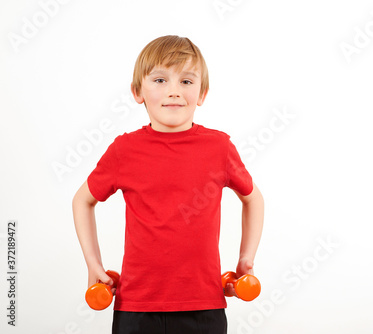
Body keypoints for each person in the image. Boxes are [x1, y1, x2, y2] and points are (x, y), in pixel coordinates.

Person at [72, 35, 264, 334]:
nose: (174, 91)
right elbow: (82, 200)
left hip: (204, 307)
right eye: (160, 80)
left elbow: (253, 199)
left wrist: (245, 258)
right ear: (138, 91)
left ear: (202, 93)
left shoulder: (219, 148)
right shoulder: (124, 150)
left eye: (186, 82)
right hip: (136, 308)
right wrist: (93, 264)